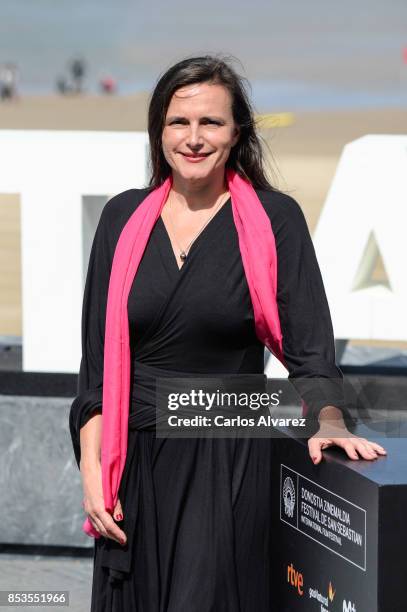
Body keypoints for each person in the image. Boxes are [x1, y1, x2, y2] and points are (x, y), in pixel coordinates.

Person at [69, 55, 387, 611]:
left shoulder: (275, 219)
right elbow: (96, 373)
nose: (194, 138)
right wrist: (93, 477)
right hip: (133, 468)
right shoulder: (121, 218)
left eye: (211, 123)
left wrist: (329, 422)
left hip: (228, 461)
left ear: (236, 132)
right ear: (159, 131)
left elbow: (312, 353)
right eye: (179, 123)